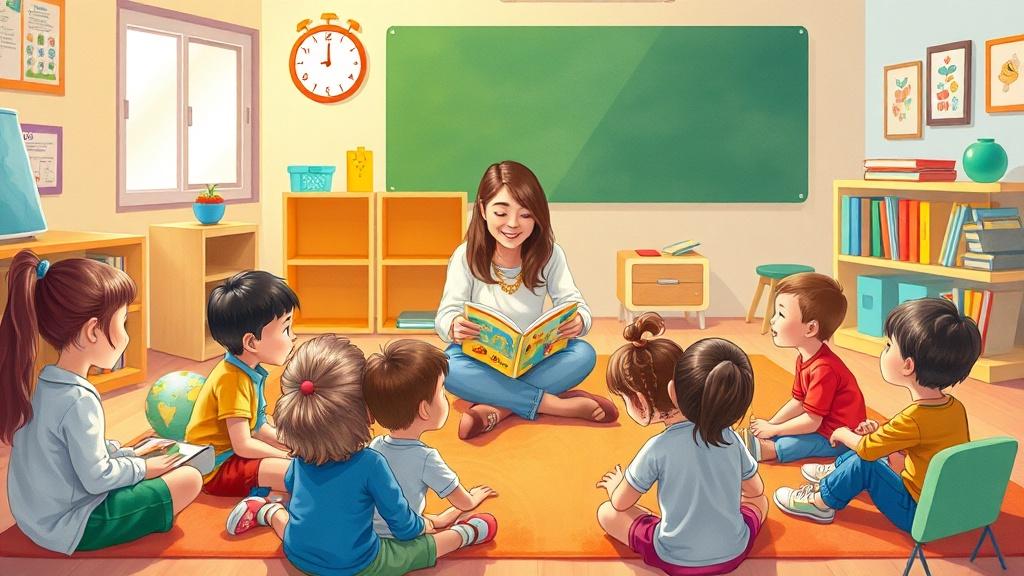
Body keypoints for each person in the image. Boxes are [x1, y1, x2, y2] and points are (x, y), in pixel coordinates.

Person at [225, 335, 497, 575]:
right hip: (357, 565)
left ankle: (269, 511)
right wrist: (430, 523)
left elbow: (295, 488)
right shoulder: (370, 462)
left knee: (292, 524)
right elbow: (403, 527)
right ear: (366, 409)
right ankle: (466, 535)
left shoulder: (303, 457)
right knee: (416, 550)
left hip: (296, 552)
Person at [1, 250, 201, 554]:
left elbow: (71, 454)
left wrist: (125, 453)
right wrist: (144, 468)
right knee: (189, 478)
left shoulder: (45, 382)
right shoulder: (79, 399)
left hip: (34, 517)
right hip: (72, 524)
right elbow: (96, 479)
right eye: (123, 323)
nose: (126, 337)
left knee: (147, 462)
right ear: (93, 330)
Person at [435, 160, 615, 440]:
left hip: (535, 358)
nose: (512, 224)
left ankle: (496, 408)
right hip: (481, 359)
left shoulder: (550, 254)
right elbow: (446, 313)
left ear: (538, 217)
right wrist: (453, 325)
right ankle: (556, 405)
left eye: (526, 214)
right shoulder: (465, 256)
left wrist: (579, 321)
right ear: (482, 210)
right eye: (501, 212)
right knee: (448, 364)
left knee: (583, 354)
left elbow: (573, 301)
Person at [774, 298, 981, 531]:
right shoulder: (953, 407)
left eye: (889, 346)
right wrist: (880, 435)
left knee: (867, 462)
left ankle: (820, 503)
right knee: (875, 449)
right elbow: (916, 444)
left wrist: (842, 433)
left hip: (919, 512)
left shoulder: (913, 418)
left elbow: (867, 449)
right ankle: (837, 472)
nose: (885, 351)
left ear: (908, 366)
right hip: (943, 504)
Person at [596, 321, 768, 575]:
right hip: (734, 552)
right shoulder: (730, 436)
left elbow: (621, 503)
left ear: (640, 401)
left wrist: (615, 486)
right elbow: (756, 490)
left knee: (607, 512)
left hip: (674, 559)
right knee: (760, 501)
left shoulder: (657, 448)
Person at [363, 339, 498, 536]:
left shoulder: (375, 446)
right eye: (442, 390)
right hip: (401, 536)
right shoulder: (425, 458)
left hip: (369, 529)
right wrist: (474, 498)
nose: (445, 397)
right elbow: (463, 501)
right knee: (446, 541)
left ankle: (434, 521)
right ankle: (466, 535)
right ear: (424, 410)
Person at [184, 271, 297, 496]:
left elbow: (259, 427)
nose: (293, 336)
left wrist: (294, 446)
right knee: (296, 473)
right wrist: (286, 455)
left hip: (230, 456)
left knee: (299, 462)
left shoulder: (248, 372)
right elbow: (243, 445)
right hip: (215, 469)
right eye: (285, 329)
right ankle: (260, 505)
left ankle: (263, 494)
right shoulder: (232, 379)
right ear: (251, 342)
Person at [738, 272, 866, 463]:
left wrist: (774, 430)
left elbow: (812, 422)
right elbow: (798, 401)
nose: (773, 320)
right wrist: (772, 423)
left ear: (811, 329)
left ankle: (762, 450)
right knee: (781, 431)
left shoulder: (824, 369)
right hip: (820, 425)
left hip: (838, 436)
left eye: (781, 314)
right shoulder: (806, 358)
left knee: (791, 443)